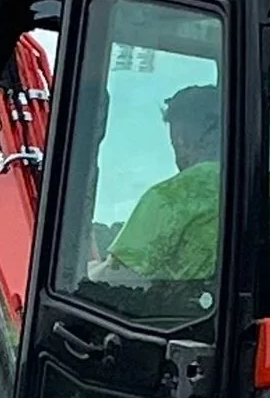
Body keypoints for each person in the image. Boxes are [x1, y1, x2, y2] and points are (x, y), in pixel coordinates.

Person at [89, 83, 221, 284]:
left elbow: (118, 279)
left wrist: (89, 272)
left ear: (181, 139)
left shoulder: (172, 197)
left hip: (189, 312)